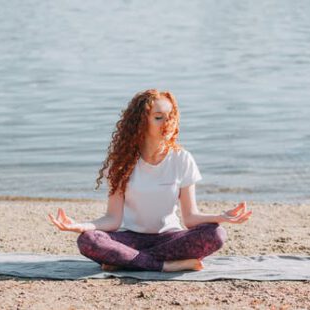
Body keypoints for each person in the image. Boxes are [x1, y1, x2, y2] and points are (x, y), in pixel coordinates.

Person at [48, 89, 252, 272]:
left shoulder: (182, 158)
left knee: (216, 234)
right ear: (141, 122)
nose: (168, 122)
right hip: (130, 239)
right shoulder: (122, 162)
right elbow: (112, 219)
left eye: (171, 116)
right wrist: (81, 226)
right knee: (89, 240)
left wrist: (221, 216)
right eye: (159, 117)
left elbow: (190, 218)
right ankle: (164, 265)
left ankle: (126, 261)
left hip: (169, 239)